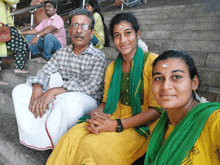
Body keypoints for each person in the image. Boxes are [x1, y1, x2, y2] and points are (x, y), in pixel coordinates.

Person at [46, 12, 162, 164]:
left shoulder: (153, 63)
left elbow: (156, 111)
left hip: (141, 126)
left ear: (138, 34)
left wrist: (116, 125)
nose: (123, 40)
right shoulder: (113, 67)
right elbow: (105, 103)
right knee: (70, 137)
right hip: (112, 116)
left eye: (127, 33)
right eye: (117, 35)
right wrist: (96, 115)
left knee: (91, 145)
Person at [12, 8, 106, 150]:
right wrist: (37, 87)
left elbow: (91, 87)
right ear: (69, 30)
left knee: (71, 101)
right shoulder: (62, 52)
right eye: (75, 25)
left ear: (92, 32)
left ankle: (52, 142)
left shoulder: (98, 56)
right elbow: (44, 72)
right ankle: (34, 136)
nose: (79, 30)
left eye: (84, 26)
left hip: (84, 100)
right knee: (19, 91)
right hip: (58, 96)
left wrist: (55, 91)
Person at [144, 50, 220, 165]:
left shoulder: (213, 119)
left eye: (176, 77)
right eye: (159, 78)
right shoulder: (163, 124)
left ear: (194, 83)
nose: (165, 86)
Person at [0, 0, 29, 78]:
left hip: (5, 26)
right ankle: (19, 67)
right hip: (4, 27)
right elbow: (14, 1)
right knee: (21, 43)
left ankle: (19, 67)